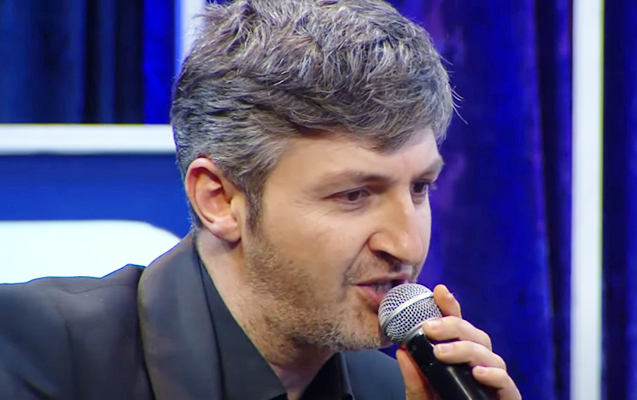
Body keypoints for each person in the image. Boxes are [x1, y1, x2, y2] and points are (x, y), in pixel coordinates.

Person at [0, 0, 521, 399]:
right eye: (354, 194)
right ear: (220, 200)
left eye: (420, 188)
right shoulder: (34, 350)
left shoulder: (391, 390)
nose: (405, 245)